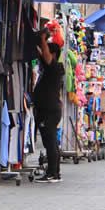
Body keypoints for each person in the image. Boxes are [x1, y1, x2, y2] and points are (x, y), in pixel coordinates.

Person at [32, 29, 65, 183]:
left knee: (50, 142)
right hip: (46, 110)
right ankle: (53, 172)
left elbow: (45, 54)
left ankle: (53, 173)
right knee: (48, 142)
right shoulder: (49, 68)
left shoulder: (54, 68)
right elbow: (41, 53)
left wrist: (43, 39)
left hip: (50, 111)